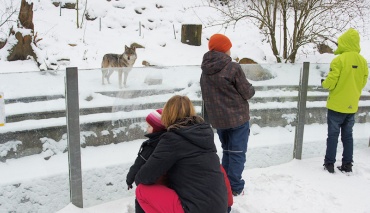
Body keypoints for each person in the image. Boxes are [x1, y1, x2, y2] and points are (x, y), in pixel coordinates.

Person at [134, 95, 228, 213]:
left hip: (193, 209)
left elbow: (144, 177)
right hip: (219, 207)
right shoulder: (205, 134)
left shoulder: (172, 139)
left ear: (168, 114)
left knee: (142, 191)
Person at [200, 34, 255, 196]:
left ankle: (225, 184)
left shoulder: (205, 70)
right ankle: (235, 187)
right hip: (238, 118)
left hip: (218, 120)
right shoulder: (233, 67)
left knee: (227, 152)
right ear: (224, 48)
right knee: (237, 153)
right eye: (228, 47)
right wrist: (251, 88)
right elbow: (247, 92)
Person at [321, 28, 368, 173]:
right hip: (351, 105)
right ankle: (348, 164)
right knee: (348, 136)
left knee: (333, 136)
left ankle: (329, 163)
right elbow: (363, 81)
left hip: (336, 105)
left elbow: (331, 82)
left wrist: (324, 83)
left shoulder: (339, 60)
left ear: (344, 43)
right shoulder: (363, 61)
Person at [126, 109, 167, 213]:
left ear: (157, 128)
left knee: (141, 200)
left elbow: (138, 164)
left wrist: (129, 179)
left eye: (149, 126)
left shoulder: (151, 145)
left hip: (149, 182)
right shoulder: (167, 142)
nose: (146, 128)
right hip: (164, 184)